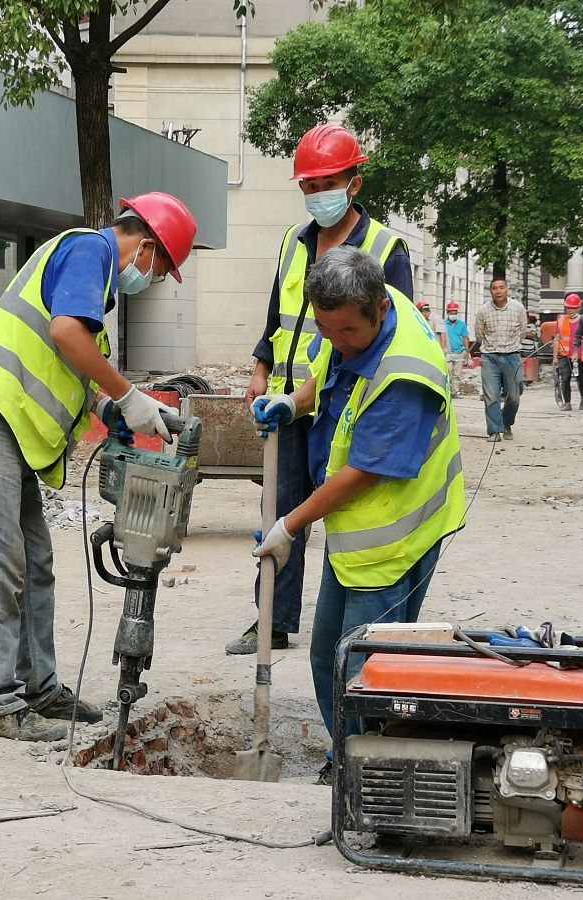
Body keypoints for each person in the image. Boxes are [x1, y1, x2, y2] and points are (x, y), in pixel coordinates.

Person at [0, 192, 197, 741]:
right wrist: (128, 395)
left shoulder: (92, 289)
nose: (153, 281)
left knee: (34, 562)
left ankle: (39, 687)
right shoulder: (89, 251)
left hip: (3, 424)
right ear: (146, 245)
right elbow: (64, 337)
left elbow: (65, 368)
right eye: (161, 271)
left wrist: (111, 407)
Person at [249, 246, 464, 782]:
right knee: (328, 656)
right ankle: (346, 752)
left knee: (367, 669)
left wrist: (289, 526)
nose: (335, 341)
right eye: (326, 328)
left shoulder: (405, 375)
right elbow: (327, 371)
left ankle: (371, 772)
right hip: (357, 535)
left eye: (347, 332)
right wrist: (293, 403)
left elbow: (365, 471)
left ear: (380, 312)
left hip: (396, 536)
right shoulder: (350, 312)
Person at [232, 124, 412, 656]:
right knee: (279, 511)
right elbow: (276, 315)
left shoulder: (385, 247)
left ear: (354, 182)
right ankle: (272, 620)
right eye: (308, 186)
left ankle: (347, 620)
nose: (317, 195)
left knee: (342, 504)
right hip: (290, 402)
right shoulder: (295, 240)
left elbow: (393, 332)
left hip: (343, 400)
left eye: (328, 182)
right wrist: (262, 368)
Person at [473, 276, 531, 442]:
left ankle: (506, 422)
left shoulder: (518, 309)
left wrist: (510, 346)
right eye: (494, 288)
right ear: (490, 291)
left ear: (507, 289)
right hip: (489, 358)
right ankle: (494, 431)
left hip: (512, 356)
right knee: (491, 396)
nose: (498, 291)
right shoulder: (483, 311)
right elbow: (479, 335)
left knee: (514, 396)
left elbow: (522, 331)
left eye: (501, 287)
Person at [553, 294, 583, 410]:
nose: (570, 310)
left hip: (579, 356)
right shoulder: (561, 321)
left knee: (581, 379)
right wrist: (555, 357)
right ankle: (567, 403)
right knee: (565, 378)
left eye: (572, 308)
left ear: (578, 308)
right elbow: (557, 340)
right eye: (568, 307)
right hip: (564, 355)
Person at [444, 302, 471, 396]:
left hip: (459, 352)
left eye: (454, 313)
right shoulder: (443, 324)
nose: (453, 315)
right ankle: (446, 391)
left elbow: (465, 337)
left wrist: (467, 351)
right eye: (451, 313)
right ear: (447, 312)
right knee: (447, 373)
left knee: (457, 374)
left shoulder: (462, 325)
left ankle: (454, 392)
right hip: (447, 353)